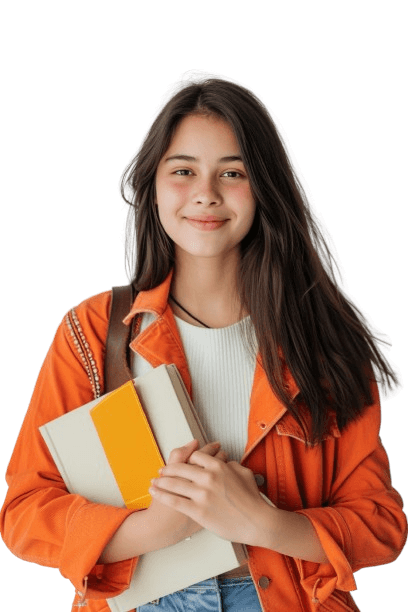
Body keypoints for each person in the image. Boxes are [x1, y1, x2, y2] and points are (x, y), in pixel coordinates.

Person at [0, 69, 406, 612]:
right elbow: (25, 511)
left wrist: (266, 523)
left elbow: (381, 525)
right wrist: (151, 529)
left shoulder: (324, 337)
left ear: (264, 187)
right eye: (183, 170)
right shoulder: (95, 330)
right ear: (153, 185)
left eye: (232, 172)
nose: (206, 195)